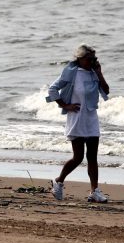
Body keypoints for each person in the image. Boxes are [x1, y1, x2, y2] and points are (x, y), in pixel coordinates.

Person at [46, 44, 110, 203]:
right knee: (78, 157)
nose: (92, 61)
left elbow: (106, 91)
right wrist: (64, 105)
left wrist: (99, 73)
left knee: (93, 157)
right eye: (89, 59)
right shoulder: (72, 73)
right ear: (80, 59)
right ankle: (58, 181)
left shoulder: (94, 74)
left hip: (91, 119)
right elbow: (52, 89)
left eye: (94, 59)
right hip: (76, 119)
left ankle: (94, 191)